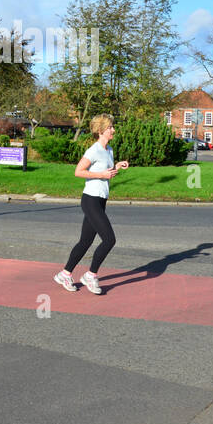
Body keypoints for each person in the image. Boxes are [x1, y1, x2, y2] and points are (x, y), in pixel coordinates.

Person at [55, 114, 129, 295]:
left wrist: (116, 167)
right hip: (90, 200)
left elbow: (105, 172)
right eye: (110, 127)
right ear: (101, 130)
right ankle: (91, 275)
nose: (113, 130)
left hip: (101, 200)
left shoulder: (109, 150)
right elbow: (78, 171)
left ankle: (65, 274)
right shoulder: (93, 150)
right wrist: (102, 175)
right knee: (109, 239)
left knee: (85, 241)